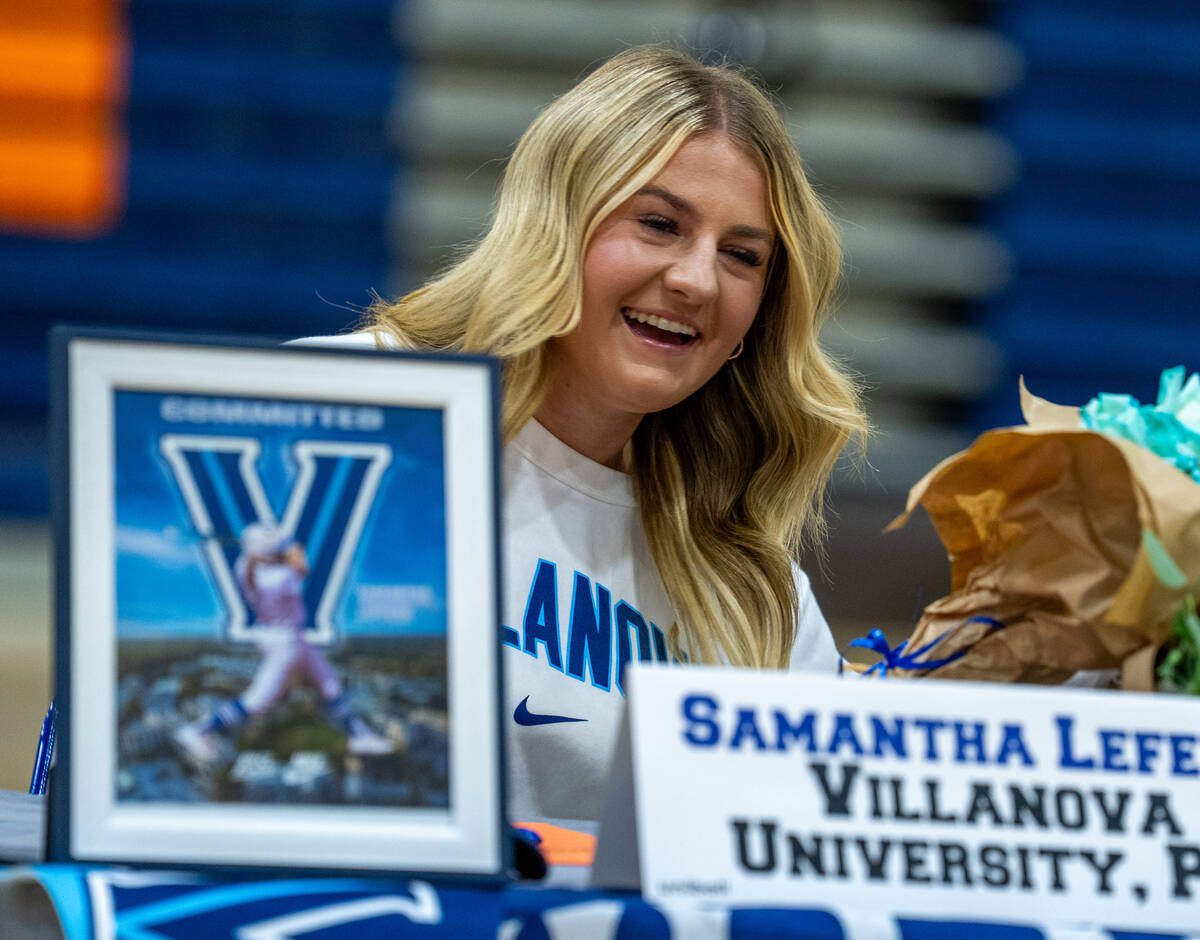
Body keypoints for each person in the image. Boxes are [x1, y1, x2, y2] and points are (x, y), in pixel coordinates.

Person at [302, 45, 866, 822]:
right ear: (556, 221)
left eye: (741, 256)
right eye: (660, 224)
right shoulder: (335, 410)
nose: (697, 280)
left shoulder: (752, 592)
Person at [174, 522, 393, 764]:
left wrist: (270, 550)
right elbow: (301, 568)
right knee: (259, 701)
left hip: (288, 636)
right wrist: (290, 552)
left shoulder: (244, 566)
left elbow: (272, 556)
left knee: (329, 682)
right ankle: (199, 730)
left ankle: (358, 734)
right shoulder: (278, 578)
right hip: (284, 641)